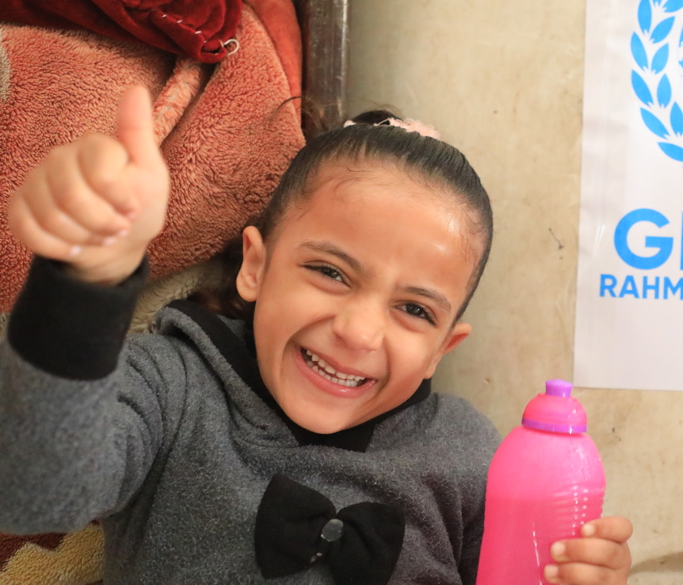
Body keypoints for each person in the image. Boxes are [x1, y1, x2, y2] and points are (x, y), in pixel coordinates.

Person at [0, 87, 632, 584]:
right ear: (255, 265)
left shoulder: (472, 458)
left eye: (414, 311)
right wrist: (84, 285)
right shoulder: (173, 384)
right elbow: (34, 493)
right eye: (330, 272)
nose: (357, 332)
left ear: (444, 348)